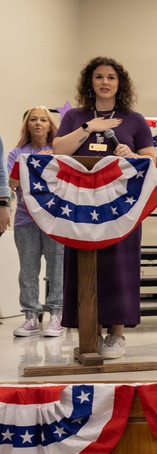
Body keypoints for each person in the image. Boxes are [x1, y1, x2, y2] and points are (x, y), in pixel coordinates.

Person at [51, 56, 157, 359]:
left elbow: (151, 159)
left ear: (119, 83)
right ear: (90, 82)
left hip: (121, 208)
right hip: (80, 207)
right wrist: (89, 127)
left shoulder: (133, 119)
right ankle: (89, 333)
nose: (105, 82)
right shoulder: (75, 115)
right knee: (84, 266)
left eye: (111, 77)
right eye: (99, 77)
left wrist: (133, 153)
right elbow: (59, 150)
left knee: (118, 267)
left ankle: (116, 336)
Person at [7, 107, 64, 337]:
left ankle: (56, 316)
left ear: (50, 125)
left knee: (57, 268)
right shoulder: (16, 152)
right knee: (28, 270)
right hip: (25, 218)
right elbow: (12, 182)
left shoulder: (60, 150)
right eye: (33, 120)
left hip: (55, 218)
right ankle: (30, 317)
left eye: (43, 120)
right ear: (27, 125)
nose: (38, 123)